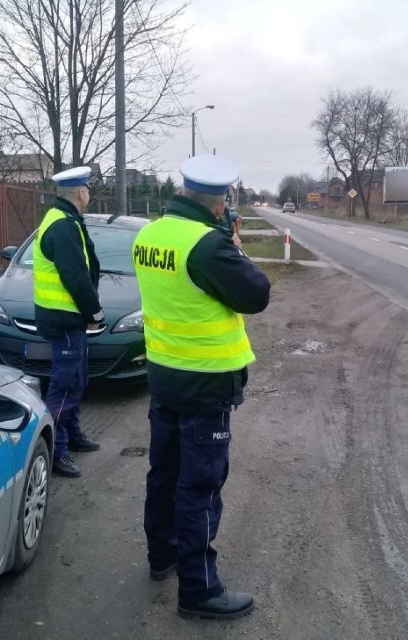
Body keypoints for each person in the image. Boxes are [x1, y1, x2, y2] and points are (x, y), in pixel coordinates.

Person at [132, 155, 271, 620]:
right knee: (201, 485)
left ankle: (163, 554)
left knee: (164, 471)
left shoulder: (149, 235)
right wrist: (235, 245)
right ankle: (199, 589)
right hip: (205, 383)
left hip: (164, 375)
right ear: (220, 199)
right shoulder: (209, 246)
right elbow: (256, 294)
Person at [33, 166, 103, 478]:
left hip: (68, 318)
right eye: (87, 189)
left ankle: (72, 435)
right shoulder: (62, 226)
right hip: (63, 319)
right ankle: (55, 451)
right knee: (63, 386)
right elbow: (75, 277)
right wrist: (95, 314)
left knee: (77, 380)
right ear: (79, 193)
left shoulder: (66, 220)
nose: (89, 194)